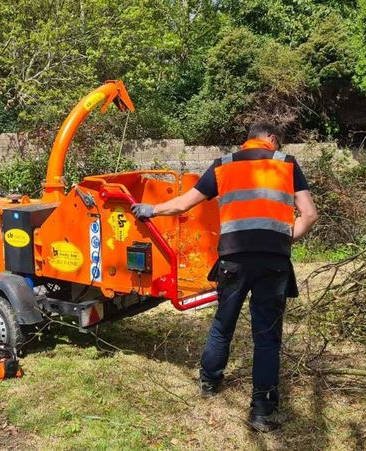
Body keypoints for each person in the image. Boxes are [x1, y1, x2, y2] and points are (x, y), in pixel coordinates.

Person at [131, 121, 318, 432]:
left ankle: (209, 382)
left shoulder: (223, 165)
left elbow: (183, 204)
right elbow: (309, 214)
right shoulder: (286, 165)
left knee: (223, 323)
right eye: (277, 142)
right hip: (273, 262)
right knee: (267, 337)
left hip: (233, 258)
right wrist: (284, 239)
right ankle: (261, 411)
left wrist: (150, 209)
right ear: (270, 138)